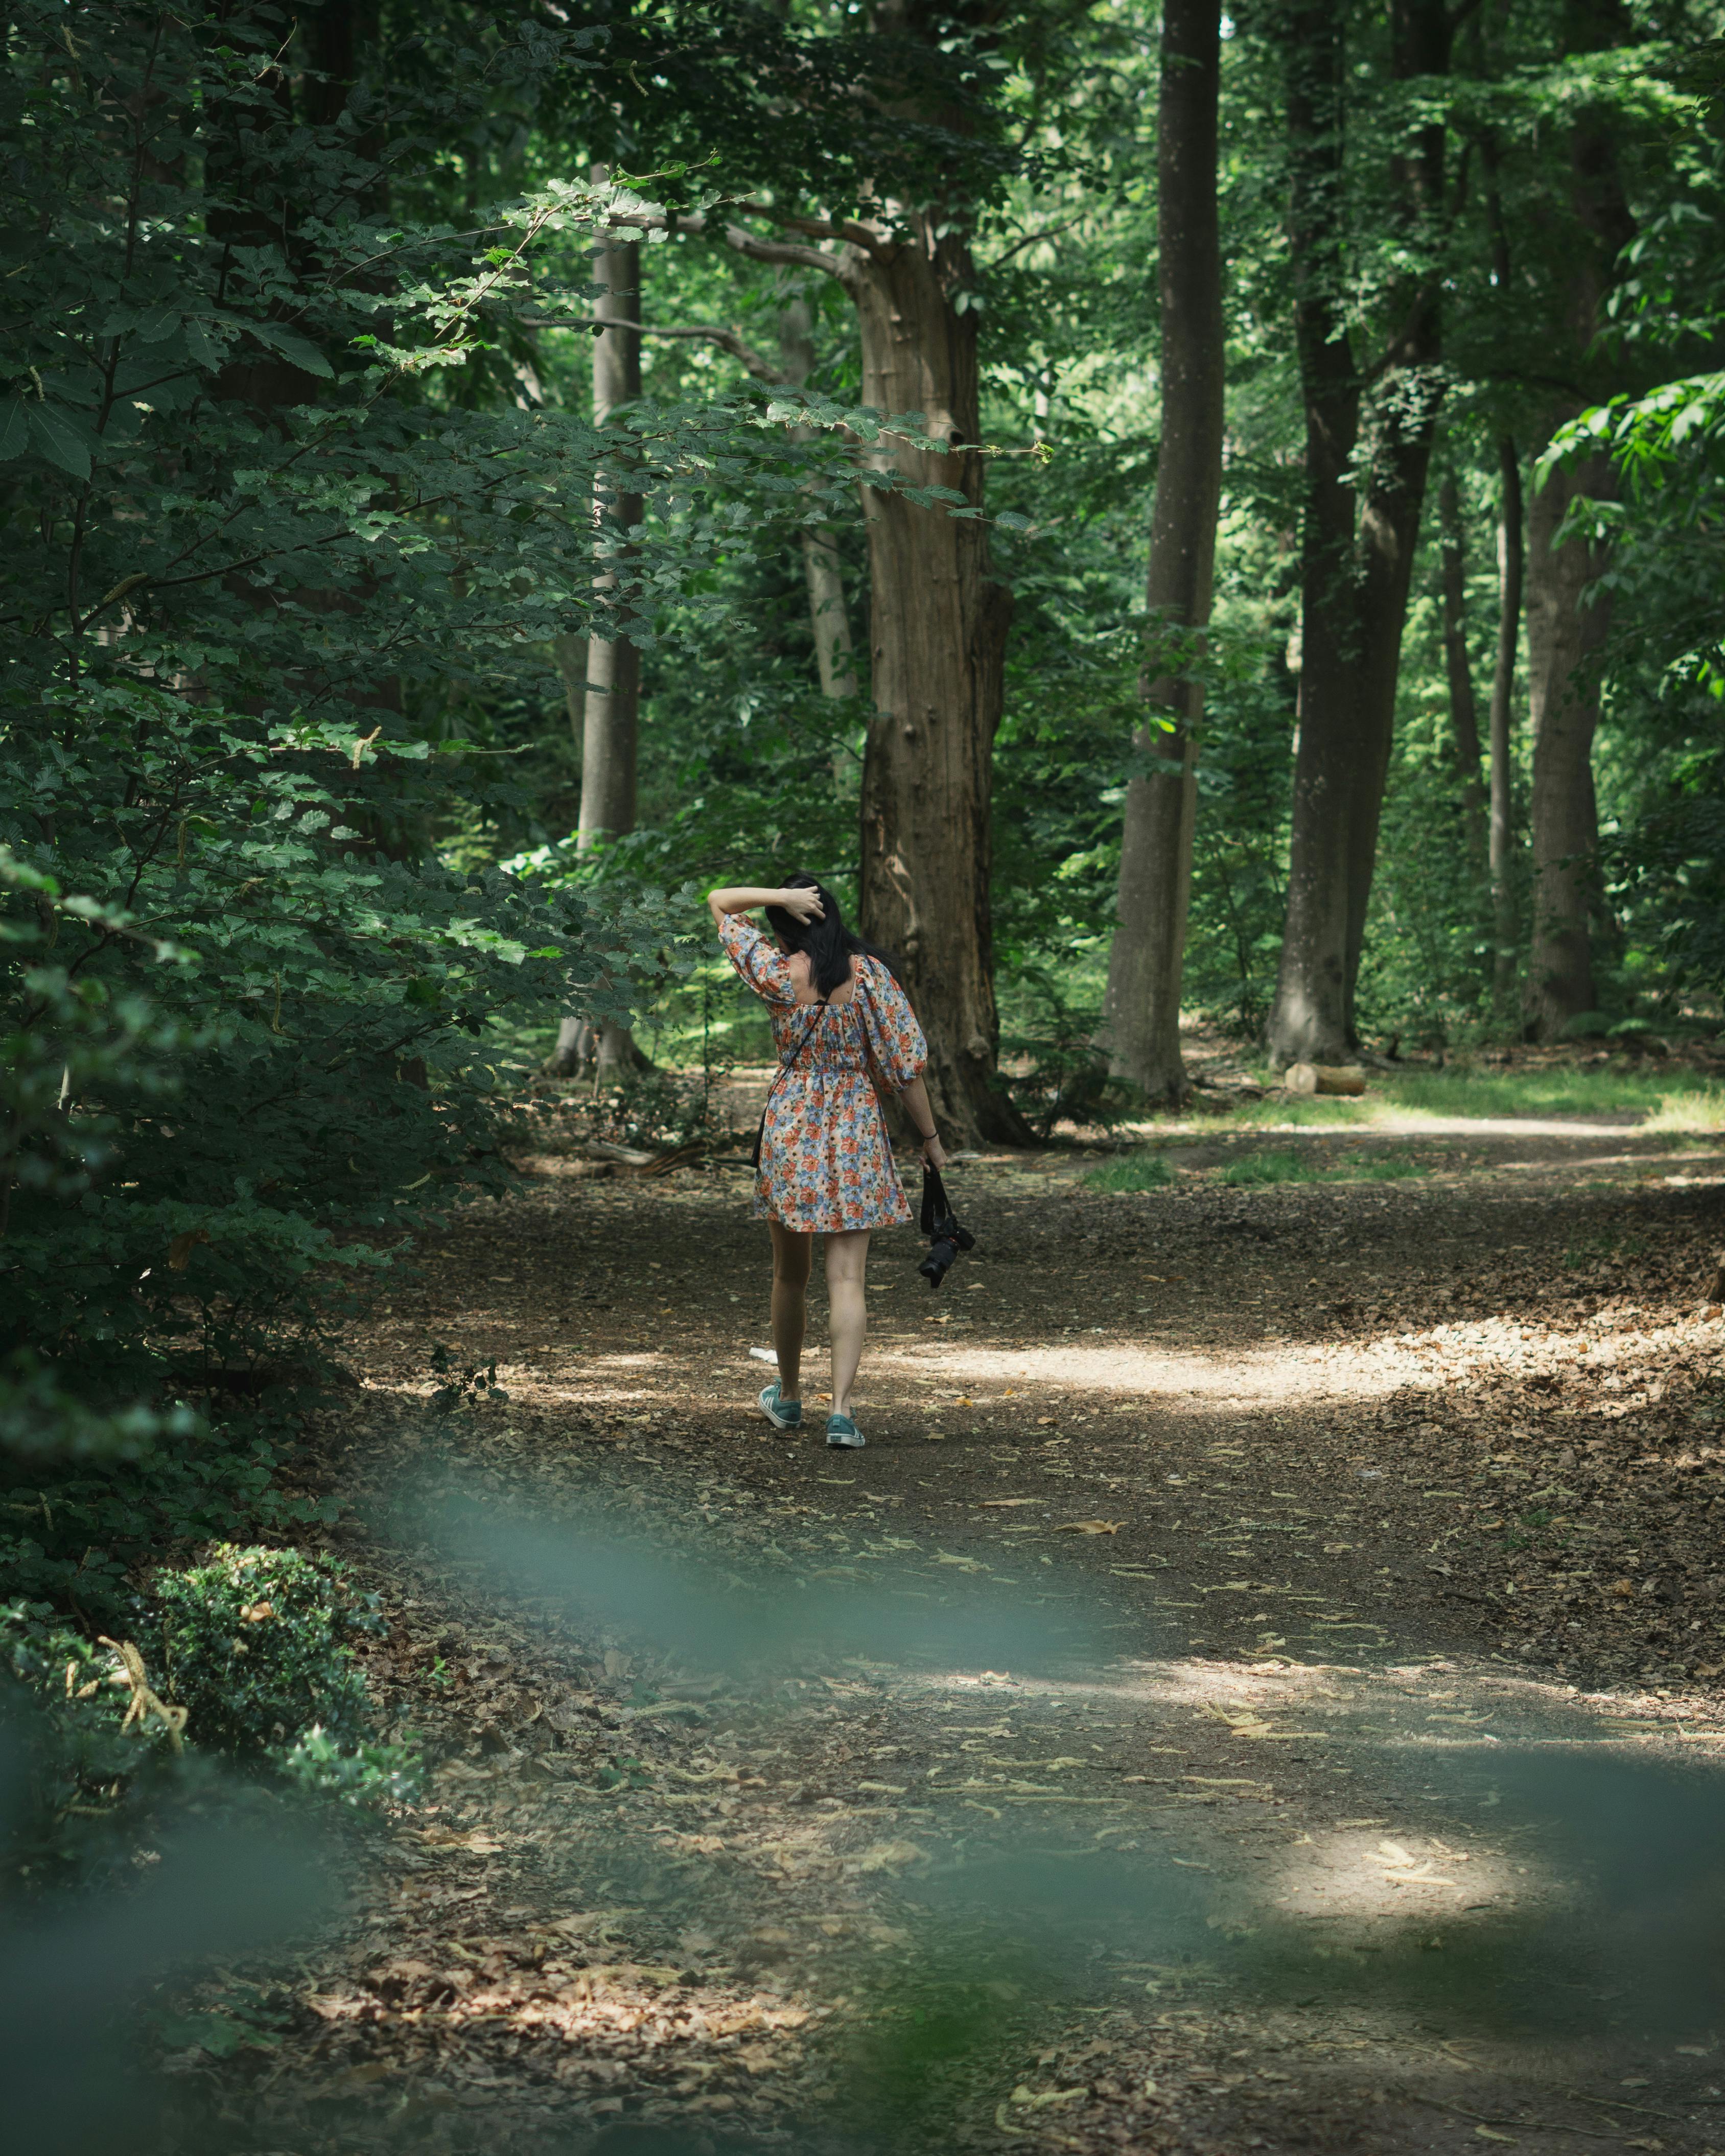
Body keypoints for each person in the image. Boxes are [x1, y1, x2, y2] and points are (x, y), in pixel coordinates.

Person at [707, 875, 947, 1450]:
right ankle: (840, 1413)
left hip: (792, 1128)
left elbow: (719, 902)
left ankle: (788, 1399)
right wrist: (931, 1139)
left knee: (791, 1274)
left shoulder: (775, 973)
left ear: (786, 922)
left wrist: (776, 898)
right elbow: (905, 1067)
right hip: (856, 1126)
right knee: (848, 1279)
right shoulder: (869, 978)